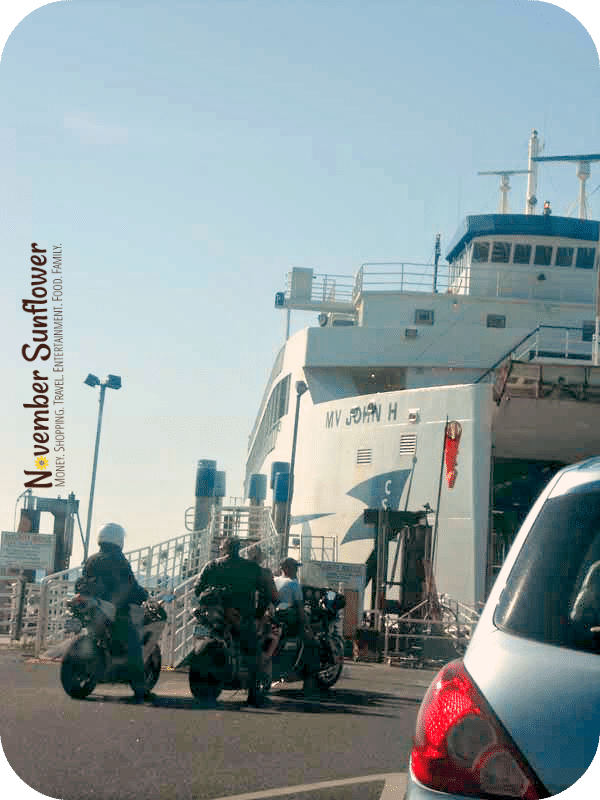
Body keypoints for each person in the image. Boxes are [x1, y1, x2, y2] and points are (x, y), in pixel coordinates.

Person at [76, 523, 149, 703]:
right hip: (112, 608)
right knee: (132, 643)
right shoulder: (119, 560)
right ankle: (141, 689)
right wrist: (142, 595)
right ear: (119, 539)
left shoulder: (92, 559)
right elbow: (130, 585)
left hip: (91, 605)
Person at [194, 536, 271, 706]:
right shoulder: (251, 567)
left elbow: (197, 589)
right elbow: (265, 593)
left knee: (201, 635)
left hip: (213, 615)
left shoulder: (212, 565)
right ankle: (253, 693)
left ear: (223, 549)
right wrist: (259, 613)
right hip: (242, 616)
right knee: (252, 650)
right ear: (239, 549)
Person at [274, 557, 321, 696]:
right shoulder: (294, 584)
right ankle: (309, 683)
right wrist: (308, 628)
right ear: (286, 568)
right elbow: (300, 609)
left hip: (273, 618)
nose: (297, 570)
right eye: (295, 568)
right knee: (312, 644)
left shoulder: (273, 580)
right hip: (288, 621)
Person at [246, 544, 279, 680]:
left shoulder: (239, 570)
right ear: (260, 557)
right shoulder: (265, 573)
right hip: (256, 617)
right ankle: (263, 670)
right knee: (274, 636)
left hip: (235, 614)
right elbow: (274, 596)